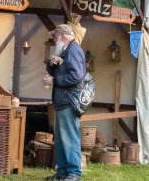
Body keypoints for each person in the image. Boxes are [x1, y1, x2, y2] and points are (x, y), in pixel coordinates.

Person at [42, 24, 86, 181]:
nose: (54, 40)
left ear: (63, 36)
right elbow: (64, 72)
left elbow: (76, 77)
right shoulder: (67, 51)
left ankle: (74, 173)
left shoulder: (73, 50)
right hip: (63, 101)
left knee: (70, 137)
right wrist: (52, 64)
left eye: (55, 37)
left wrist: (54, 79)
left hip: (69, 101)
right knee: (61, 138)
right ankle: (63, 172)